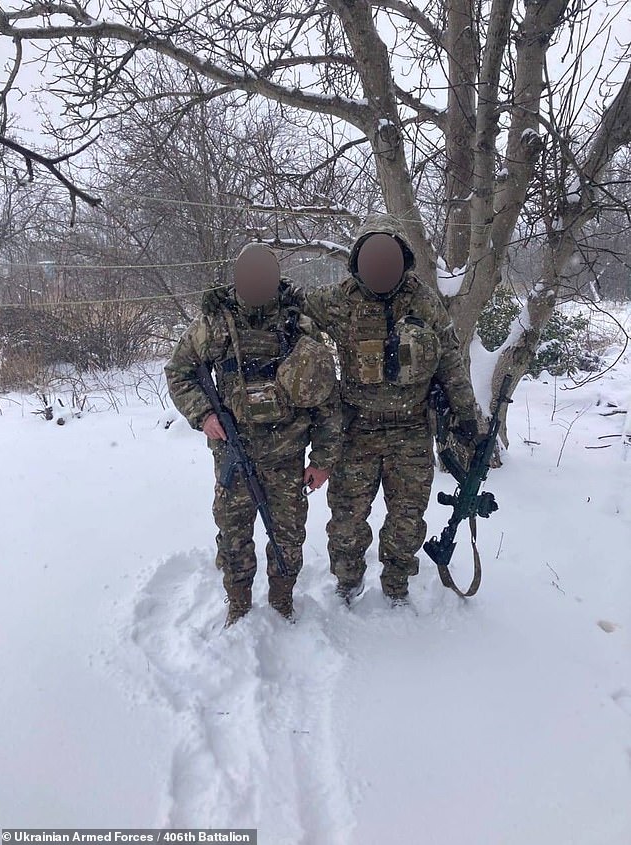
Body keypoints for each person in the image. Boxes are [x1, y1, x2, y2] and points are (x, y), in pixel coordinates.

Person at [304, 213, 479, 606]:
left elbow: (450, 360)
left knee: (406, 519)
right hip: (356, 430)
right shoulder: (338, 300)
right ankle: (347, 583)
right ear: (358, 261)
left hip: (412, 430)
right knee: (346, 519)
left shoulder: (423, 300)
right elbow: (290, 308)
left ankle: (397, 584)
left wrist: (468, 416)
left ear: (402, 257)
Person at [165, 243, 340, 626]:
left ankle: (281, 601)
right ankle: (239, 603)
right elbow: (179, 371)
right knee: (233, 536)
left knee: (288, 537)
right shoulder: (214, 325)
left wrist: (323, 460)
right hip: (233, 453)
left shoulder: (299, 324)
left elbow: (326, 398)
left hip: (288, 457)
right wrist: (204, 414)